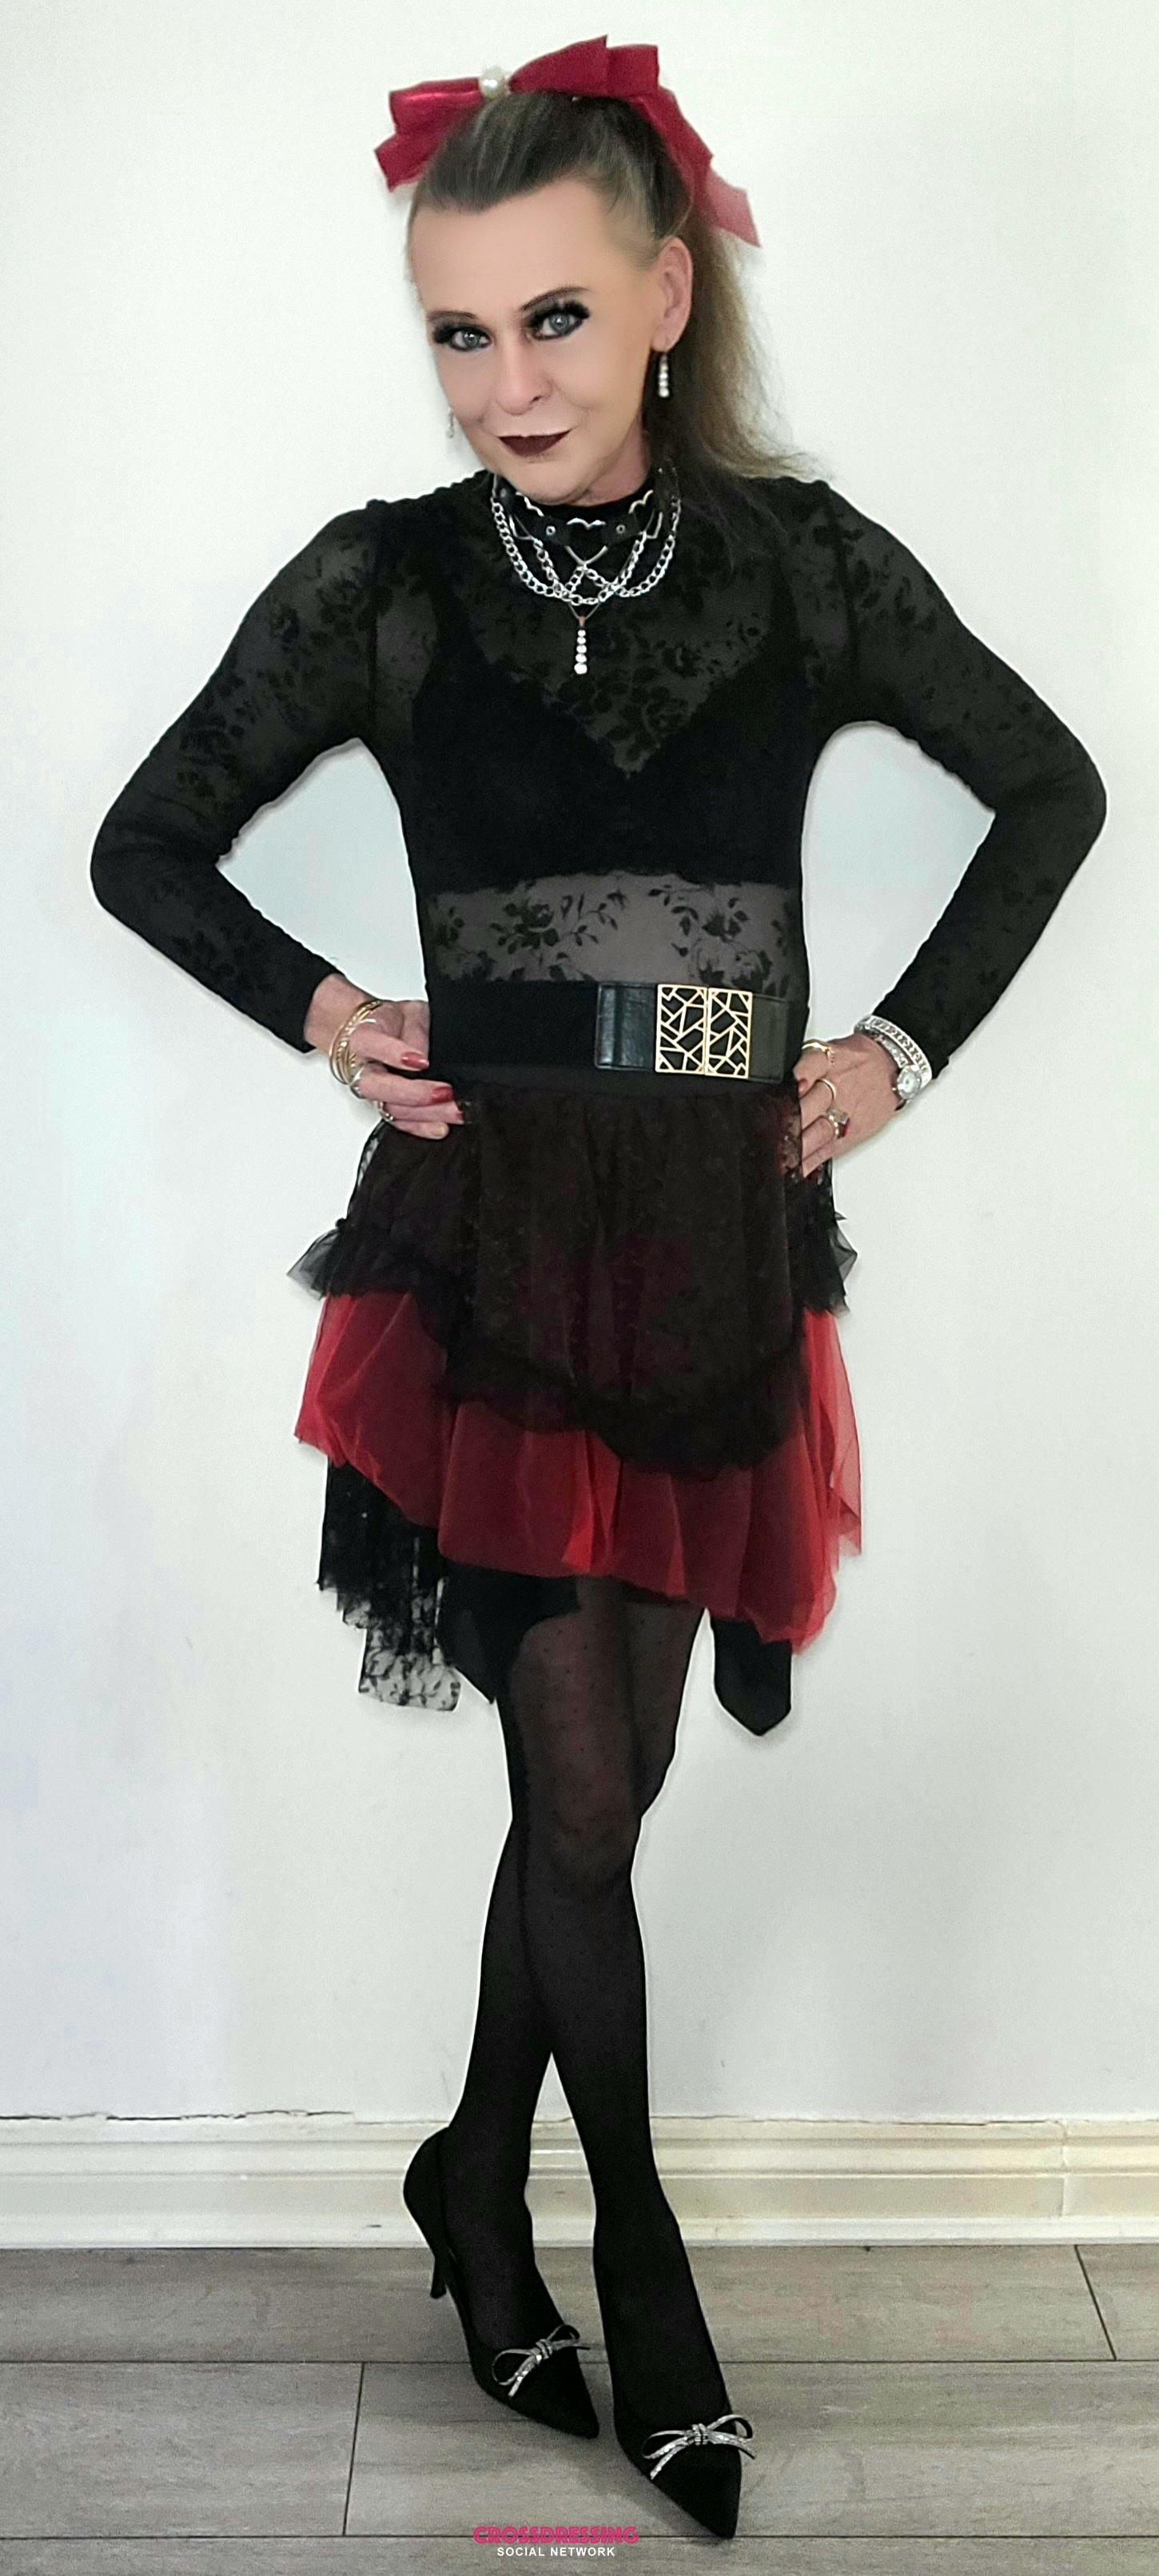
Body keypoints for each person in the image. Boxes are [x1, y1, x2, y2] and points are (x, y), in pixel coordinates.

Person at [88, 38, 1108, 2542]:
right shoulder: (385, 584)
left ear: (663, 294)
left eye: (551, 317)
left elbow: (1051, 787)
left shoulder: (801, 566)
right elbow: (146, 843)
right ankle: (628, 2262)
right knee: (573, 1791)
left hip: (718, 1241)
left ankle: (462, 2171)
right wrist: (324, 1008)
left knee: (601, 1787)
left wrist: (895, 1048)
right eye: (457, 332)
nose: (505, 382)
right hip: (498, 1244)